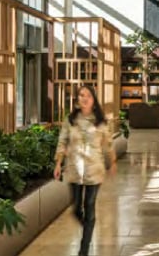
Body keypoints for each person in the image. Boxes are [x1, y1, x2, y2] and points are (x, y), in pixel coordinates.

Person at [54, 86, 117, 256]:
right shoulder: (70, 119)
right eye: (81, 95)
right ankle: (89, 227)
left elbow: (108, 144)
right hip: (74, 170)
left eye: (88, 95)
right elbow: (63, 140)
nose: (85, 98)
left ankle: (84, 249)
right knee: (76, 208)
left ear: (93, 99)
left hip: (94, 170)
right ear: (77, 99)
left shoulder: (100, 121)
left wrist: (112, 162)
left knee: (89, 205)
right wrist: (58, 163)